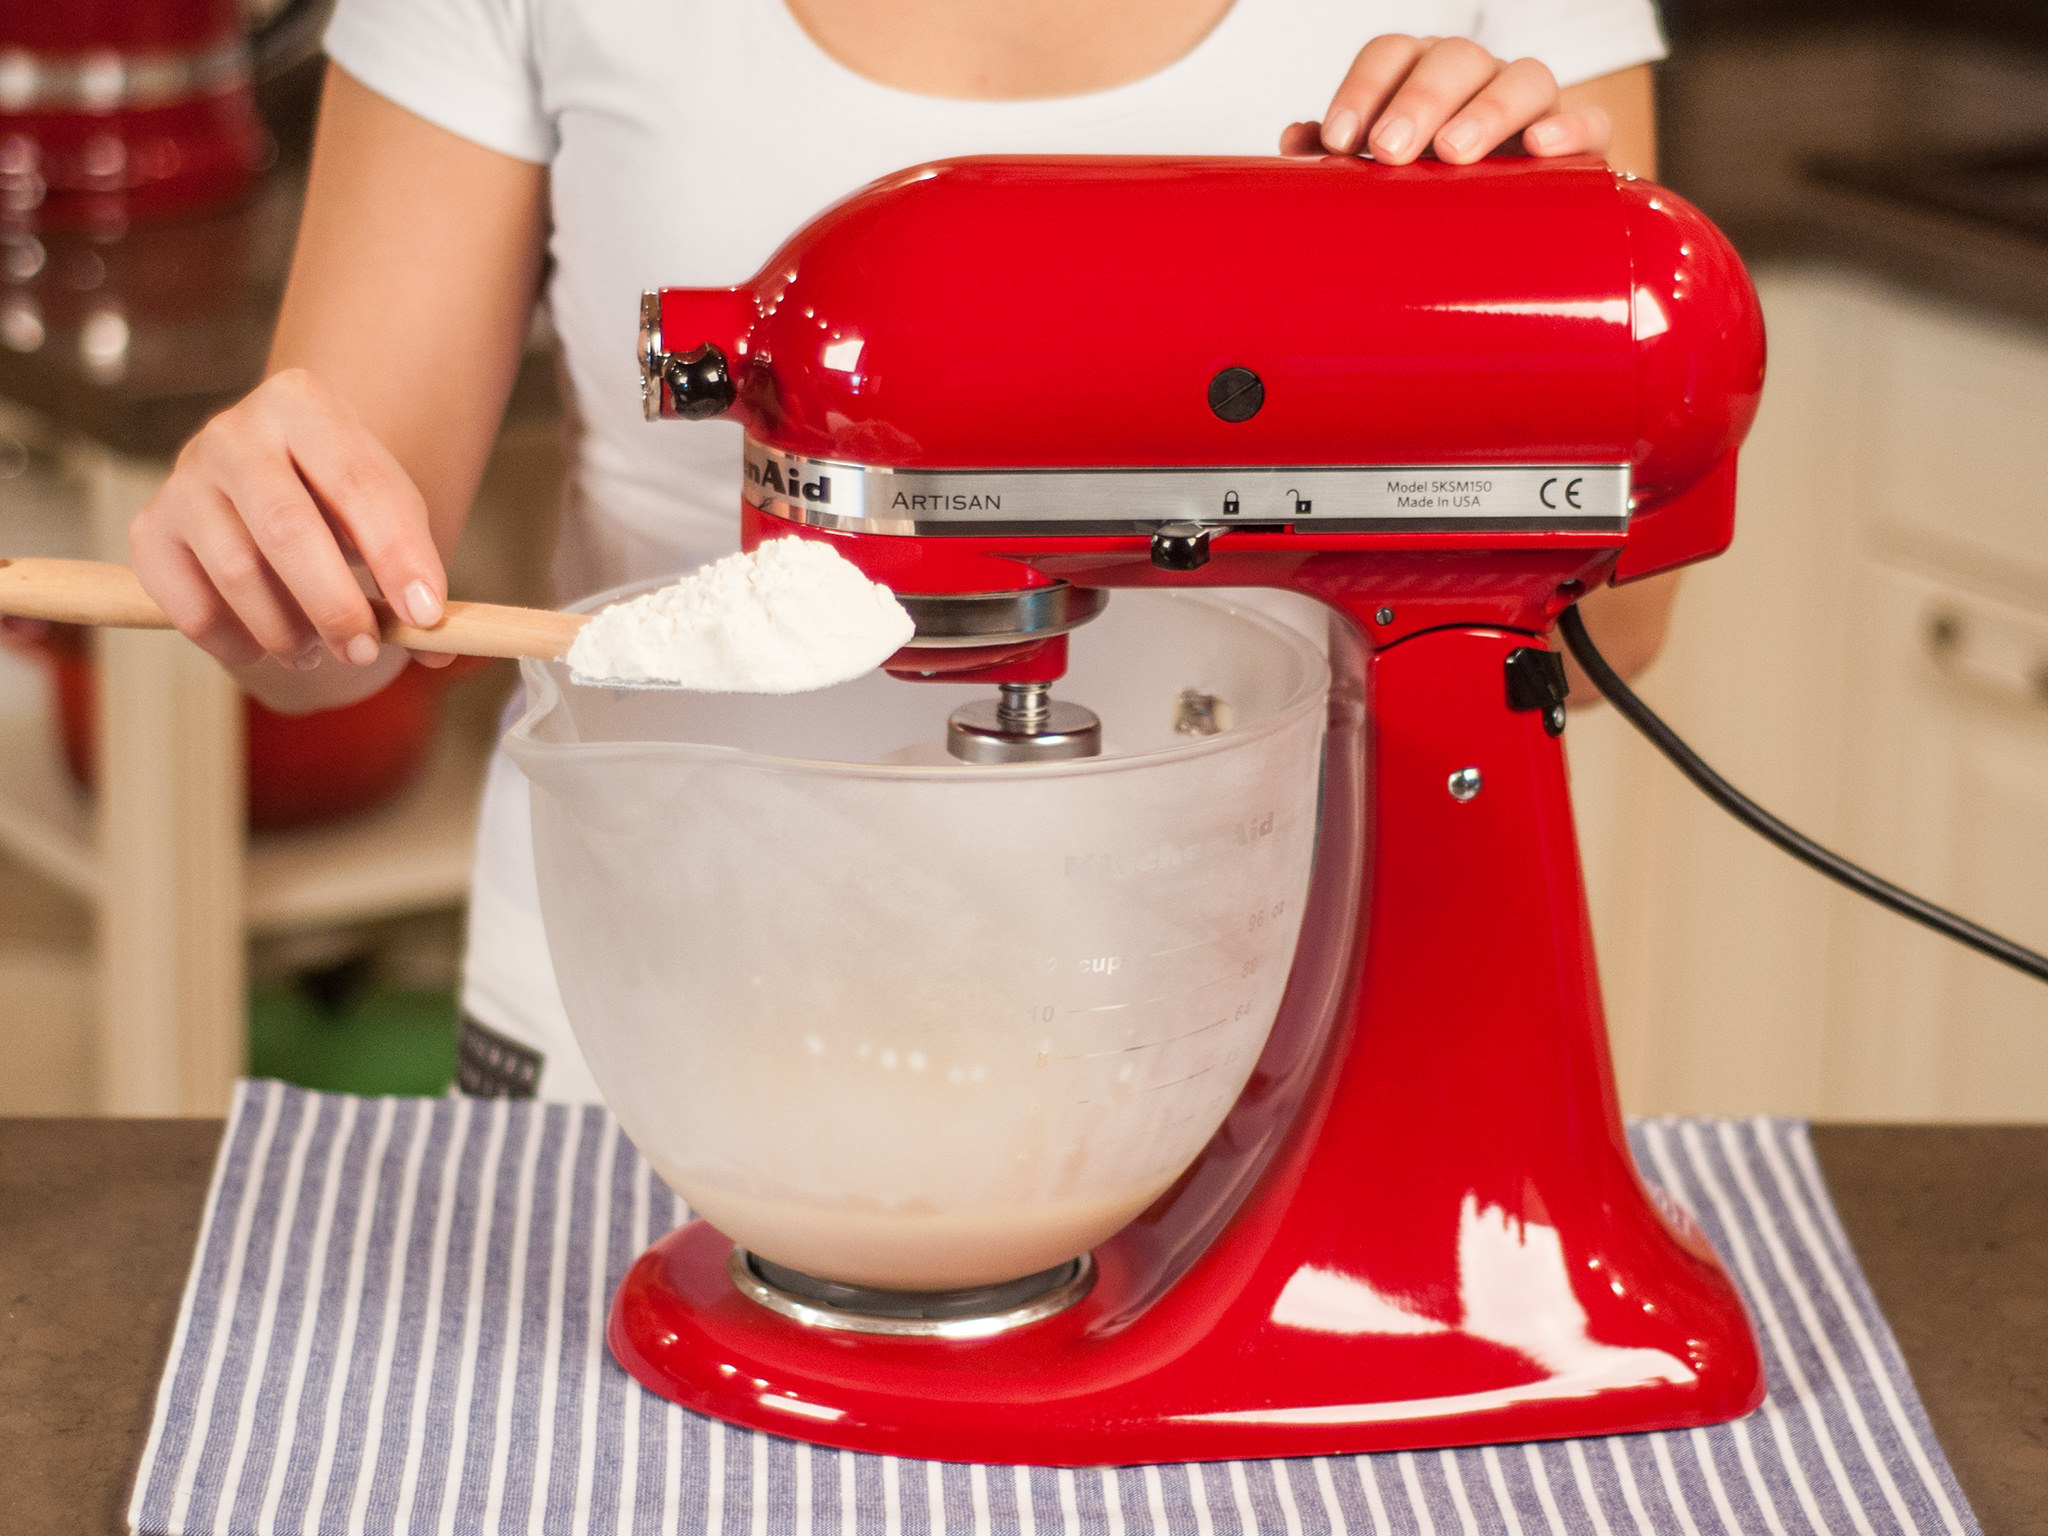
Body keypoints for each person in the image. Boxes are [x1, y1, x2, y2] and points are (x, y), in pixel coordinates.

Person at [128, 0, 1676, 1100]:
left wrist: (1523, 288)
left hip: (1252, 1037)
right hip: (657, 1064)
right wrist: (273, 550)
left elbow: (1619, 638)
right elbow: (340, 619)